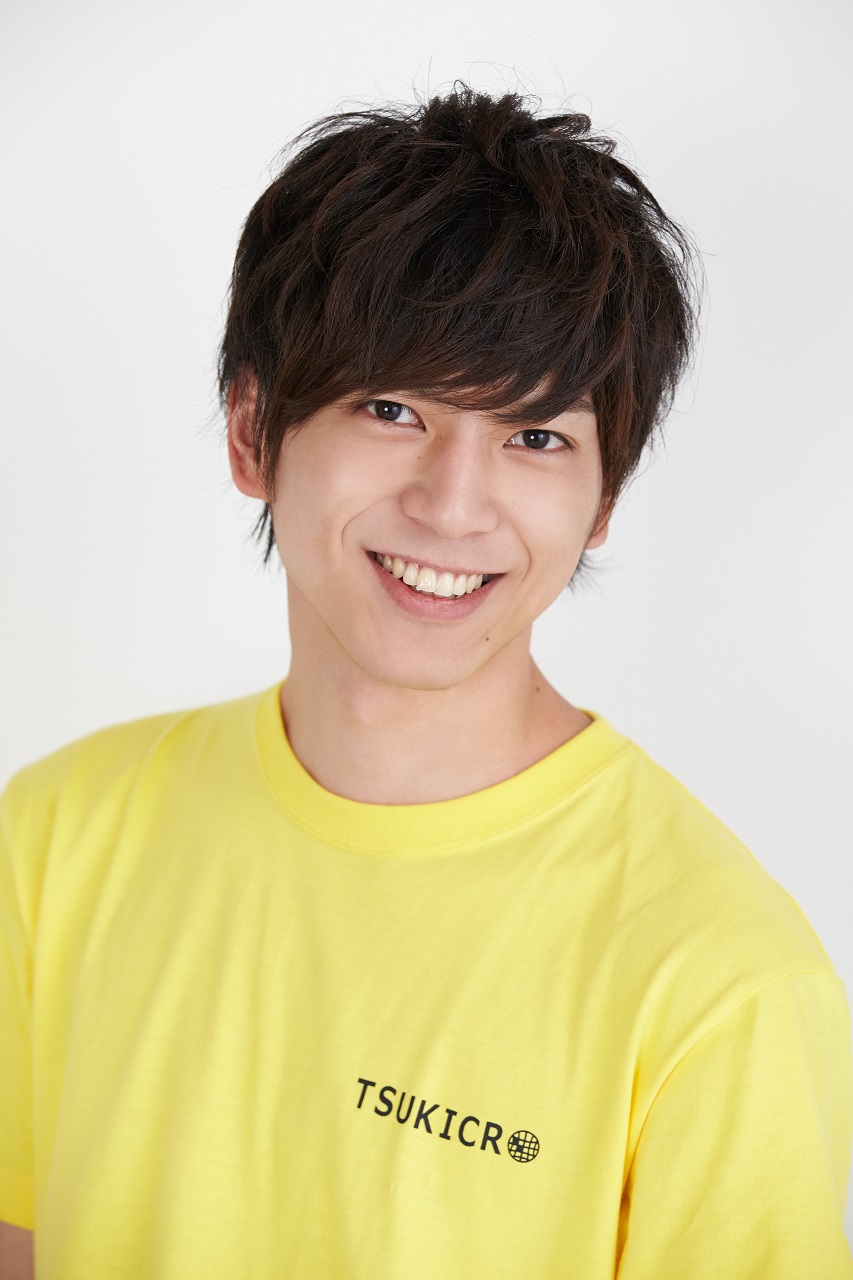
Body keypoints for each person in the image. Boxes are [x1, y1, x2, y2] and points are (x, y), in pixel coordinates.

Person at [1, 84, 851, 1280]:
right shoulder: (54, 835)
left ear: (603, 500)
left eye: (536, 436)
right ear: (251, 431)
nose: (453, 506)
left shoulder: (721, 977)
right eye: (392, 407)